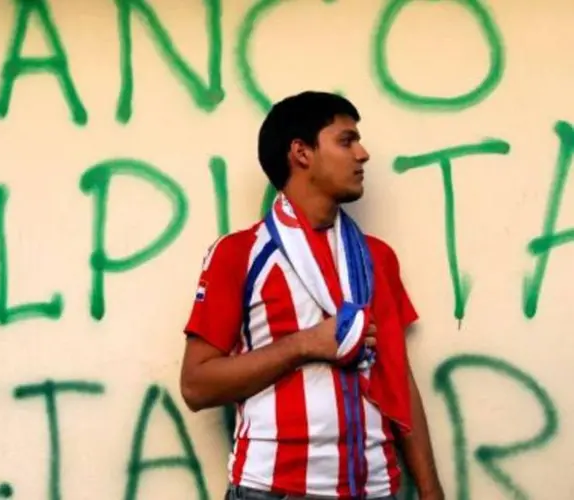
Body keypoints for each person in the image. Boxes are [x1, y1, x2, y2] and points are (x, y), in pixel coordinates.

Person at [179, 91, 444, 500]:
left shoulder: (377, 258)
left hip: (375, 488)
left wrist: (430, 491)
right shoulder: (239, 254)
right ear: (301, 153)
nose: (363, 153)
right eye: (346, 140)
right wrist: (305, 345)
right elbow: (196, 386)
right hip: (273, 489)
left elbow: (397, 378)